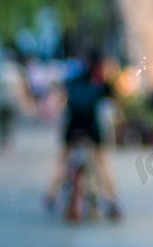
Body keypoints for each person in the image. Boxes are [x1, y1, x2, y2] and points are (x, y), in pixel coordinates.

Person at [45, 53, 122, 221]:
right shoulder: (99, 83)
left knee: (63, 161)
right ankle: (111, 200)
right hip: (91, 127)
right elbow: (113, 99)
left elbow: (62, 96)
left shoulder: (72, 80)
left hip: (73, 127)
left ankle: (51, 195)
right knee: (102, 164)